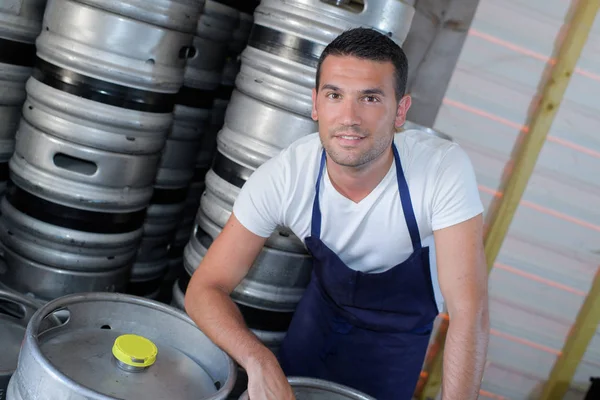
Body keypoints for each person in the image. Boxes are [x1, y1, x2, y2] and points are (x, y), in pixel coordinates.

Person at [184, 27, 490, 400]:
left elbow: (468, 311)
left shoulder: (441, 169)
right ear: (315, 104)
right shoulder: (285, 177)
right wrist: (257, 359)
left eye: (370, 98)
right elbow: (205, 288)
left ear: (401, 111)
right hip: (319, 319)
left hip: (396, 344)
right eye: (334, 95)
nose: (349, 117)